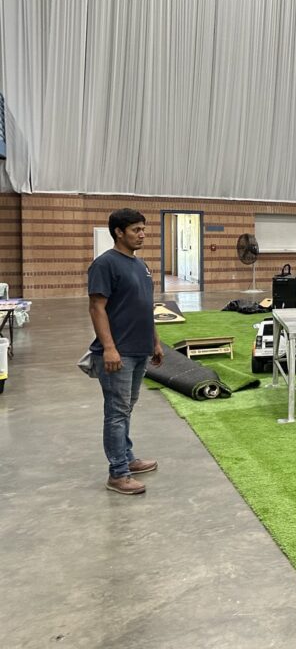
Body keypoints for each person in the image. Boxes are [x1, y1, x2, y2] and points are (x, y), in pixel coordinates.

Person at [88, 208, 164, 495]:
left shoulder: (141, 265)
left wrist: (155, 342)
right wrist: (109, 348)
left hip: (140, 349)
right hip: (117, 353)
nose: (142, 234)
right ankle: (118, 474)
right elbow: (97, 308)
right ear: (119, 232)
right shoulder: (105, 264)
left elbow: (145, 307)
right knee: (117, 412)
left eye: (143, 229)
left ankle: (127, 459)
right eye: (136, 230)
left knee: (125, 408)